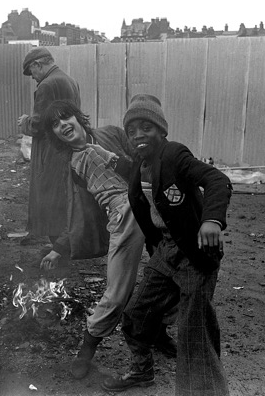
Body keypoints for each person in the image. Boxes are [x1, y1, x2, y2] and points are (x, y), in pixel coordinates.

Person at [102, 94, 232, 395]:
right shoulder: (139, 164)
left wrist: (212, 221)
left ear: (162, 130)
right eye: (131, 130)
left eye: (145, 127)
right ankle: (141, 371)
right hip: (166, 252)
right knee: (136, 313)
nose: (137, 136)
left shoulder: (175, 155)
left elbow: (217, 180)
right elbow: (140, 185)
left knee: (194, 333)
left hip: (195, 254)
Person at [39, 100, 177, 380]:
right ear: (54, 134)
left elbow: (146, 157)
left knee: (177, 274)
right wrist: (59, 247)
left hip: (154, 203)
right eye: (55, 124)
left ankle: (158, 330)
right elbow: (80, 214)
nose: (63, 125)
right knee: (118, 293)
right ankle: (86, 351)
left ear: (78, 118)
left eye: (66, 117)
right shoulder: (73, 168)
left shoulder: (112, 134)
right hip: (124, 215)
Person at [17, 47, 81, 245]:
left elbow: (39, 124)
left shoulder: (46, 85)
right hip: (67, 147)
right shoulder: (70, 80)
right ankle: (64, 245)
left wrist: (25, 121)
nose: (33, 78)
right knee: (64, 197)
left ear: (38, 64)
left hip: (49, 151)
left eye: (32, 72)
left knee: (48, 196)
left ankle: (59, 251)